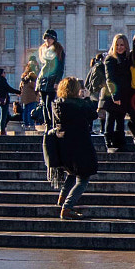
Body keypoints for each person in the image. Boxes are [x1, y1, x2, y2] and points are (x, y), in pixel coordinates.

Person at [44, 78, 100, 220]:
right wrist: (87, 98)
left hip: (64, 145)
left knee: (71, 172)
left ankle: (62, 198)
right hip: (80, 144)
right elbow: (93, 114)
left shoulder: (56, 105)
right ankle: (67, 207)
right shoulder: (80, 105)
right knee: (83, 178)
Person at [101, 35, 135, 153]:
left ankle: (120, 141)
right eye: (117, 45)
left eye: (122, 45)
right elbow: (110, 79)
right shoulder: (110, 59)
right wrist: (115, 95)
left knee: (120, 119)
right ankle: (108, 141)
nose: (120, 47)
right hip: (113, 93)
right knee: (110, 118)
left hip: (124, 93)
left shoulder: (127, 59)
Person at [36, 31, 66, 130]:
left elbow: (60, 68)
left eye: (49, 38)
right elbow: (42, 68)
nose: (47, 40)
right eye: (46, 38)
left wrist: (57, 82)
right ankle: (47, 124)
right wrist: (38, 83)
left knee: (50, 103)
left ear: (54, 39)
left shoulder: (58, 51)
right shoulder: (43, 50)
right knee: (44, 104)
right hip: (43, 79)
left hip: (52, 80)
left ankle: (53, 123)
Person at [0, 67, 16, 137]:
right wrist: (18, 92)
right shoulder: (2, 80)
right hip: (3, 100)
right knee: (3, 116)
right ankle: (2, 131)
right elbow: (8, 88)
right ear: (1, 74)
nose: (5, 74)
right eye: (4, 72)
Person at [18, 59, 39, 132]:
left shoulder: (24, 76)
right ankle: (31, 125)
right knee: (31, 111)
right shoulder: (32, 76)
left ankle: (26, 124)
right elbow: (35, 86)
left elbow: (20, 86)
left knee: (26, 111)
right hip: (32, 96)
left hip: (24, 97)